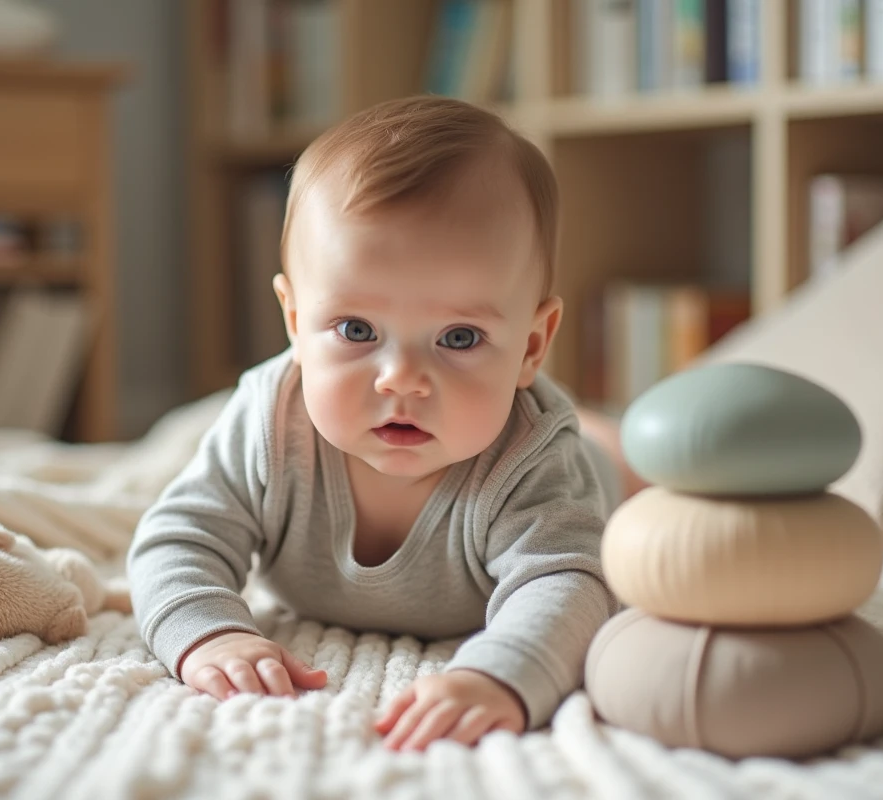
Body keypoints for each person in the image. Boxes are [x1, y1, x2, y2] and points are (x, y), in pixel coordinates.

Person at [126, 95, 644, 753]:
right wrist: (209, 632)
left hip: (597, 472)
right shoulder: (269, 423)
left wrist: (502, 675)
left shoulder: (531, 457)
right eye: (357, 330)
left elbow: (569, 586)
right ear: (293, 322)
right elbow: (178, 536)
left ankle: (611, 435)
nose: (400, 378)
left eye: (459, 336)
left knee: (643, 495)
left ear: (533, 345)